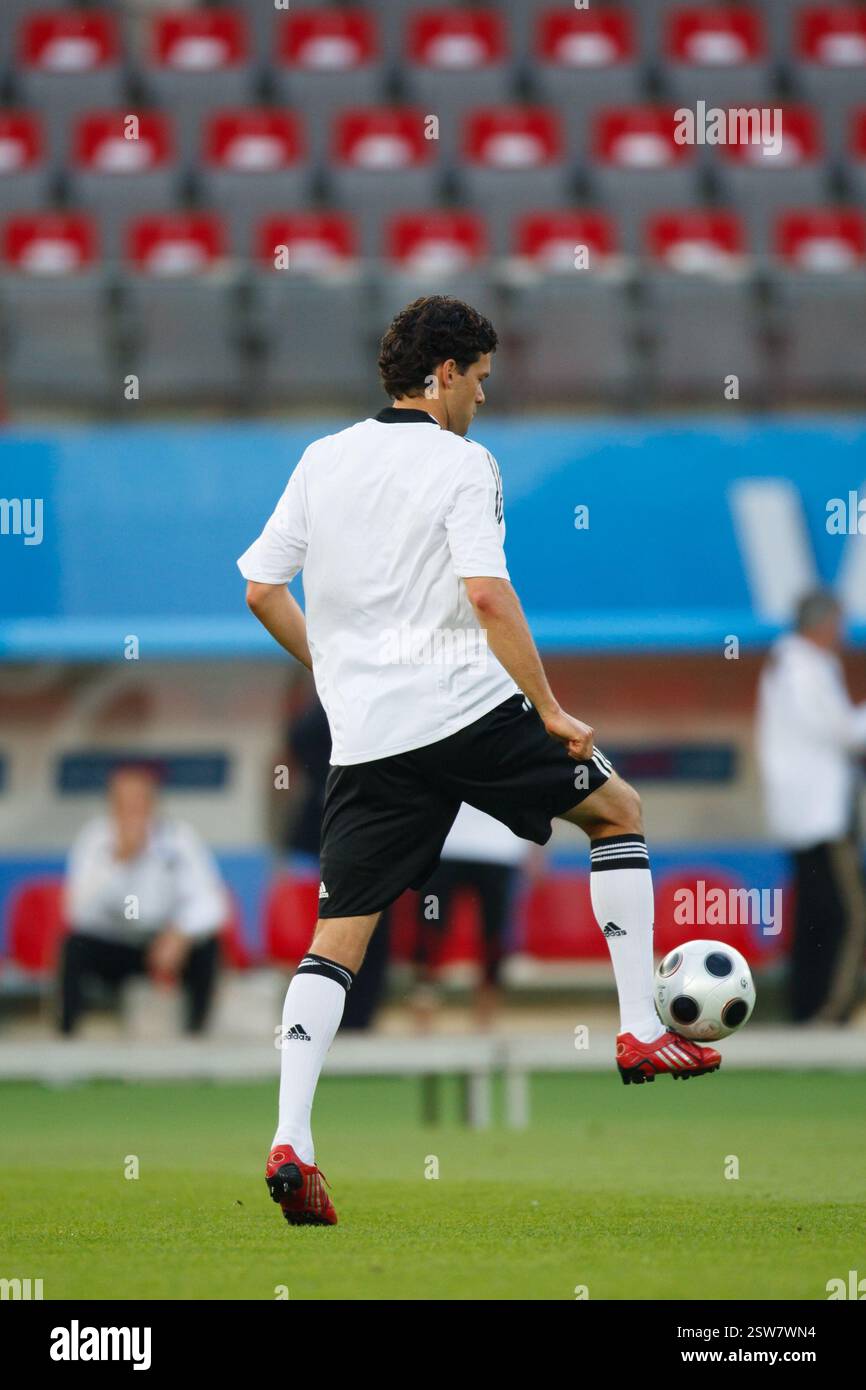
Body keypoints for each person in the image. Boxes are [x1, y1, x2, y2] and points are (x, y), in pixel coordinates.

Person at [238, 295, 721, 1229]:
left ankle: (292, 1136)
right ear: (446, 374)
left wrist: (337, 669)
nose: (485, 401)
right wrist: (549, 710)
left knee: (338, 934)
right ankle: (639, 1030)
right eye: (483, 380)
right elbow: (489, 597)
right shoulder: (465, 465)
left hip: (370, 734)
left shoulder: (323, 458)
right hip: (464, 707)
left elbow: (262, 588)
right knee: (616, 810)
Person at [756, 589, 866, 1024]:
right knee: (848, 913)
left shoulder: (790, 666)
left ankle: (807, 1007)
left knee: (815, 914)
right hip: (822, 818)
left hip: (804, 816)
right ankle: (827, 1009)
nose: (841, 633)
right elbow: (844, 732)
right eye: (837, 623)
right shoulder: (806, 667)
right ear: (821, 624)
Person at [60, 763, 227, 1035]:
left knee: (208, 948)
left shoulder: (179, 839)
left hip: (164, 941)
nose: (133, 811)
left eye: (140, 801)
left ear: (153, 803)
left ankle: (196, 1041)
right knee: (74, 948)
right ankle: (66, 1042)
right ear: (111, 805)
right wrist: (119, 862)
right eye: (124, 803)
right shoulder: (95, 840)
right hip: (114, 944)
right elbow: (77, 912)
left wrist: (181, 933)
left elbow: (212, 904)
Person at [411, 801, 531, 1029]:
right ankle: (424, 1005)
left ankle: (485, 1016)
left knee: (493, 935)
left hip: (498, 848)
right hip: (447, 844)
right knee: (431, 929)